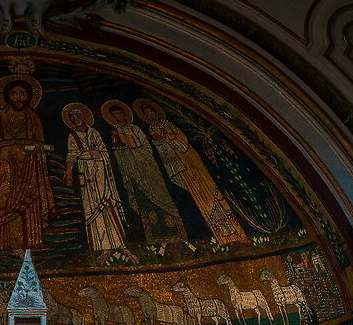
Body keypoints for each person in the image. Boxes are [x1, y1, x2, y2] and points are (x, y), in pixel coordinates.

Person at [135, 99, 248, 246]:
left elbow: (183, 144)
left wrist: (171, 139)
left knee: (211, 193)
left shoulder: (169, 124)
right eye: (147, 114)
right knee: (201, 200)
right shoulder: (152, 130)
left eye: (151, 112)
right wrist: (161, 142)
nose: (150, 116)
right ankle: (222, 237)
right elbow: (161, 153)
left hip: (190, 163)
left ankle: (237, 233)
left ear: (156, 112)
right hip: (178, 168)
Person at [0, 75, 55, 256]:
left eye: (22, 93)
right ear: (6, 96)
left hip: (28, 165)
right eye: (14, 93)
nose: (18, 97)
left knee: (28, 203)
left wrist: (36, 149)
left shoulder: (33, 118)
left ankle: (26, 244)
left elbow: (39, 143)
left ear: (29, 96)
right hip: (3, 166)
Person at [101, 98, 187, 251]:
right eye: (115, 116)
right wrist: (124, 152)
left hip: (148, 170)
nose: (119, 117)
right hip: (132, 173)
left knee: (162, 196)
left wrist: (132, 149)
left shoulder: (135, 128)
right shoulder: (115, 132)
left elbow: (146, 147)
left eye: (120, 114)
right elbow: (116, 152)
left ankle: (178, 237)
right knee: (144, 206)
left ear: (124, 114)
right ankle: (154, 242)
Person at [62, 102, 132, 259]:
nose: (75, 118)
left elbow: (104, 152)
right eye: (72, 117)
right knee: (91, 207)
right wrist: (68, 174)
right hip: (84, 173)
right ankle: (101, 247)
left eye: (78, 115)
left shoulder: (94, 133)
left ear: (84, 116)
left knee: (107, 203)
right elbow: (71, 155)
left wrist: (98, 155)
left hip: (100, 172)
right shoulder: (72, 136)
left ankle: (119, 243)